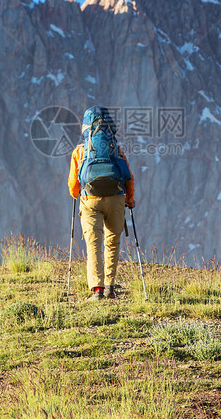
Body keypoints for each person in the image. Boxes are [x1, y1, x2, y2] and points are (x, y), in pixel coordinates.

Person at [68, 107, 135, 300]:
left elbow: (74, 184)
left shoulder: (80, 151)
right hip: (116, 199)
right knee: (112, 242)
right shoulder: (116, 150)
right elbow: (128, 177)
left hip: (90, 200)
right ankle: (110, 288)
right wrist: (130, 201)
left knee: (94, 245)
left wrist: (76, 195)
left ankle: (97, 290)